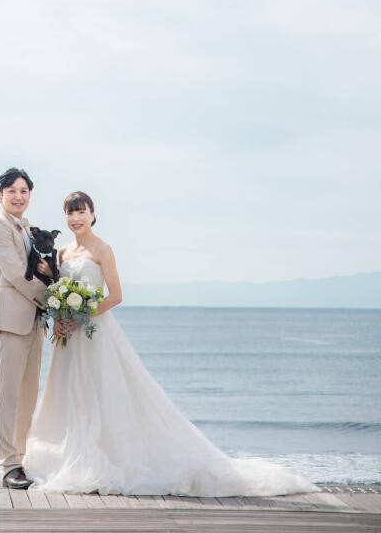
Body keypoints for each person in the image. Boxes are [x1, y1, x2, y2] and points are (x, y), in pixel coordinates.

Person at [22, 190, 321, 497]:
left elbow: (116, 295)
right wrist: (59, 313)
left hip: (95, 333)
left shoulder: (103, 250)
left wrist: (81, 317)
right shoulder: (62, 253)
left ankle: (104, 458)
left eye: (81, 211)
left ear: (93, 214)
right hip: (68, 337)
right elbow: (59, 288)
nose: (75, 218)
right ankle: (73, 458)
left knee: (104, 393)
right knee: (70, 394)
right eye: (70, 213)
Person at [0, 167, 53, 489]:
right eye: (11, 190)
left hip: (33, 322)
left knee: (28, 394)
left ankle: (22, 457)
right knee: (8, 395)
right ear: (0, 196)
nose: (18, 196)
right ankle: (9, 465)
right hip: (11, 322)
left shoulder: (26, 227)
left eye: (23, 191)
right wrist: (53, 300)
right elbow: (15, 274)